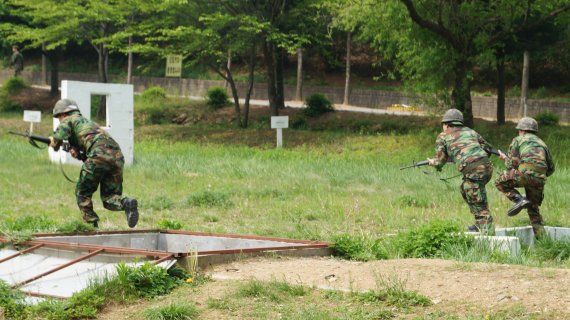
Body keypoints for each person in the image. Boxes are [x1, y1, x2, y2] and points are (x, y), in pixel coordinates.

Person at [49, 99, 139, 229]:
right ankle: (127, 203)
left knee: (82, 193)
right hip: (117, 157)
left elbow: (57, 138)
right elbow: (94, 150)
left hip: (98, 155)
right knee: (110, 198)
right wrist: (78, 154)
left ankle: (92, 227)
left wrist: (53, 142)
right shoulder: (89, 124)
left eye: (59, 118)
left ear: (63, 114)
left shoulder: (69, 120)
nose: (59, 120)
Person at [427, 109, 495, 235]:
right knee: (465, 189)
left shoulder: (443, 136)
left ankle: (490, 239)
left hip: (474, 171)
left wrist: (433, 163)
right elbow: (488, 148)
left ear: (446, 124)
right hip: (487, 167)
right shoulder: (471, 131)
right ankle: (479, 224)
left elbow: (440, 160)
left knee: (480, 205)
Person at [495, 117, 555, 238]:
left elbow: (511, 165)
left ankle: (518, 199)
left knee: (499, 182)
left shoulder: (518, 140)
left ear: (522, 130)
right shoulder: (542, 143)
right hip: (540, 180)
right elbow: (551, 168)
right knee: (533, 209)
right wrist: (538, 175)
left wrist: (505, 158)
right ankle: (542, 240)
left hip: (524, 176)